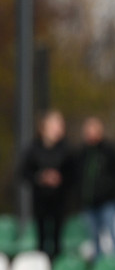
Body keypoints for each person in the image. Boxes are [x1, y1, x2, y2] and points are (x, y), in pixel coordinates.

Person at [18, 110, 74, 259]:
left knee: (57, 240)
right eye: (54, 124)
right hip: (40, 200)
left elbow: (73, 174)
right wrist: (40, 177)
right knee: (41, 238)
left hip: (59, 201)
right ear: (44, 126)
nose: (58, 128)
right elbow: (23, 173)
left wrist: (59, 178)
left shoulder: (66, 149)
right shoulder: (33, 149)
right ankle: (41, 269)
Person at [74, 116, 115, 257]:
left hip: (108, 201)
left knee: (113, 234)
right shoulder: (82, 154)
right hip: (89, 203)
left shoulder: (110, 151)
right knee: (94, 238)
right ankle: (98, 267)